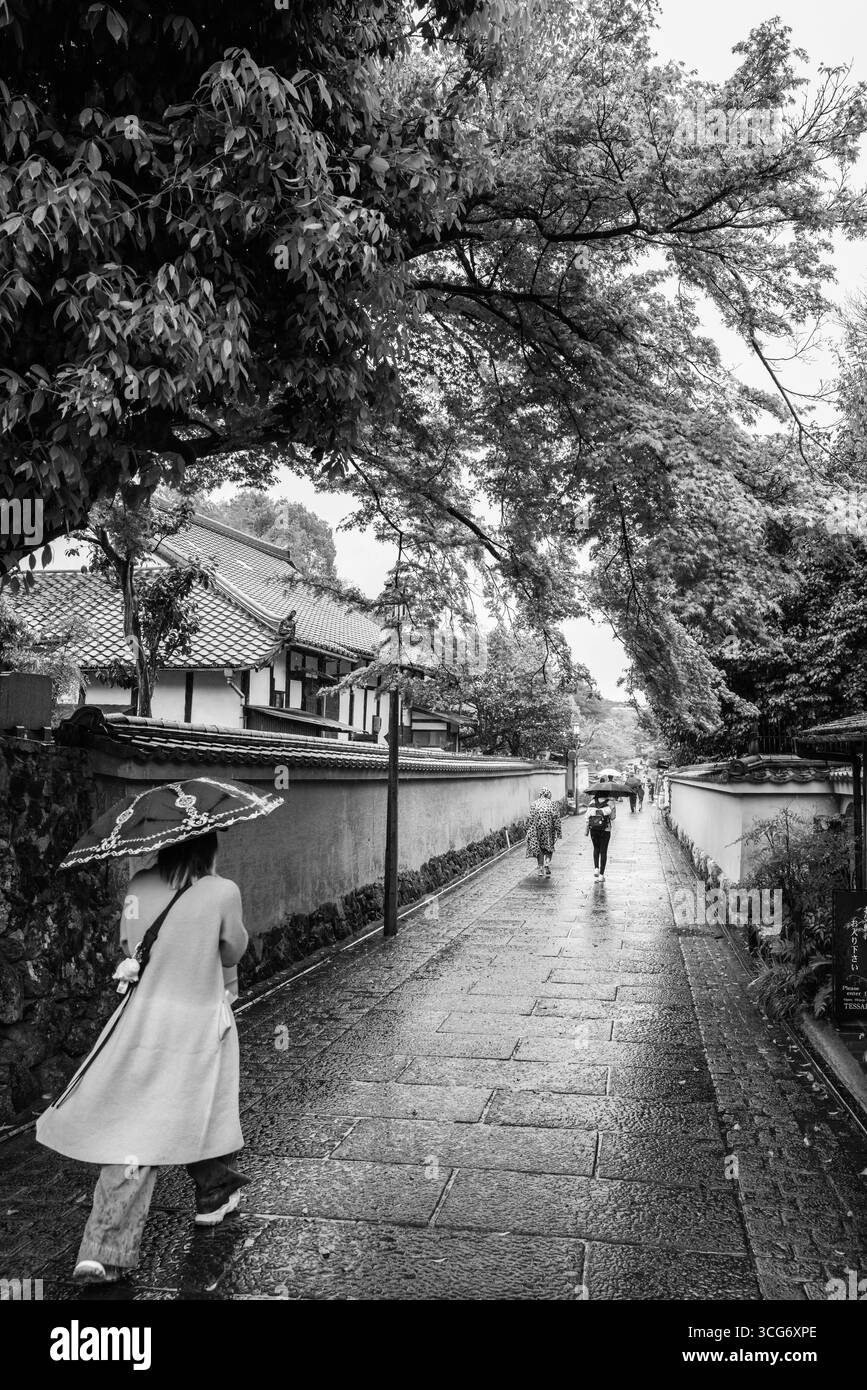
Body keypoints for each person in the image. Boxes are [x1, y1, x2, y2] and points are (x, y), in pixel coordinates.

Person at [36, 831, 249, 1285]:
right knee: (162, 1120)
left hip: (139, 1022)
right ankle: (106, 1250)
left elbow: (127, 945)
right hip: (196, 1027)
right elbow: (233, 949)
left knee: (148, 1116)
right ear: (208, 847)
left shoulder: (138, 885)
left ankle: (216, 1189)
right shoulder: (222, 891)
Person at [526, 786, 562, 877]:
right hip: (549, 829)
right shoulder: (553, 804)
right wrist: (559, 832)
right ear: (549, 795)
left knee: (540, 848)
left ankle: (541, 869)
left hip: (537, 829)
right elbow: (556, 819)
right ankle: (547, 863)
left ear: (540, 794)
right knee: (549, 846)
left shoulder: (534, 804)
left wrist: (529, 831)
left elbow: (530, 819)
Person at [585, 792, 616, 880]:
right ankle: (601, 875)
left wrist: (586, 829)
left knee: (596, 848)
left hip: (593, 829)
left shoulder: (592, 802)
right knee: (603, 851)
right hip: (605, 829)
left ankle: (596, 868)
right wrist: (612, 808)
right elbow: (613, 817)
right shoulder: (610, 802)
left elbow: (587, 817)